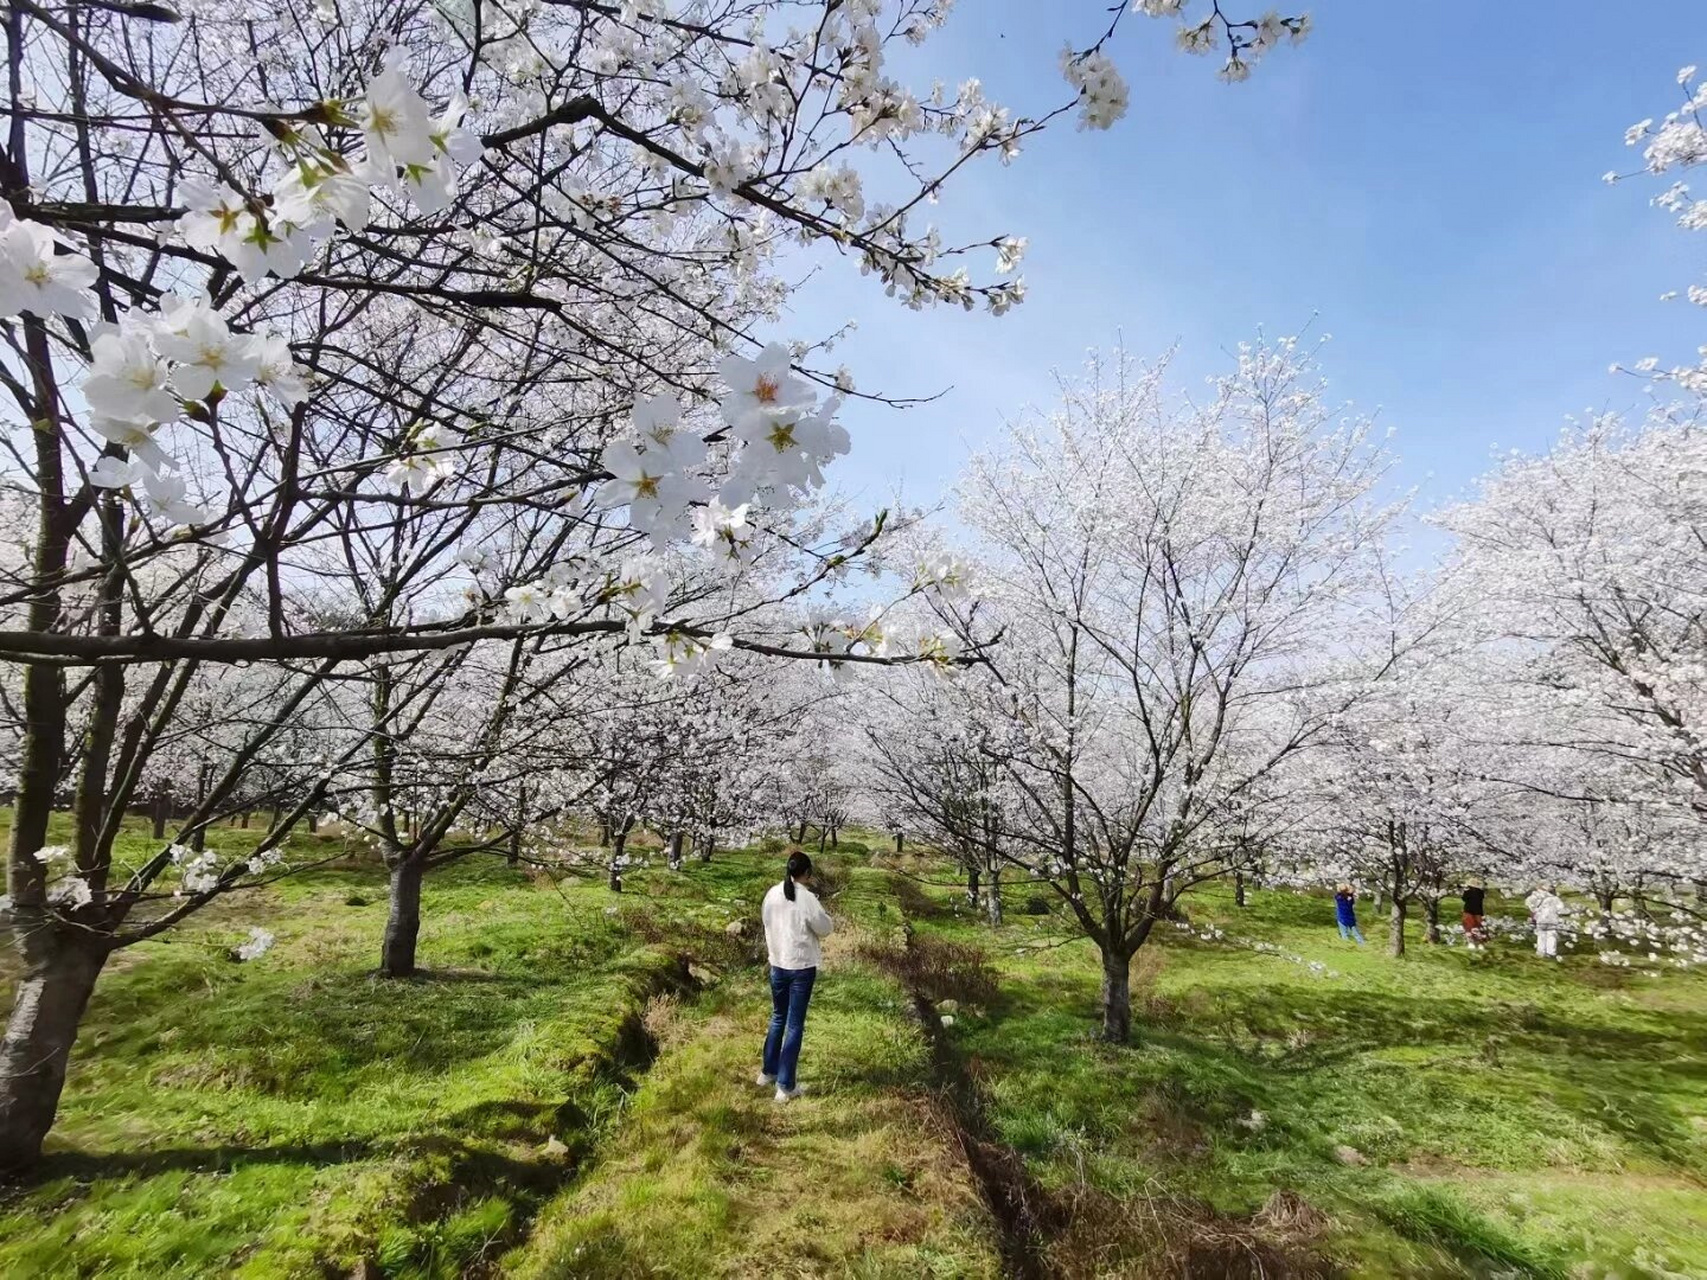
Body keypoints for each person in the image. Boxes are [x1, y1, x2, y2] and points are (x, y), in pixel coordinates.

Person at [759, 849, 834, 1102]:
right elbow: (824, 928)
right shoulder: (807, 898)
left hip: (777, 964)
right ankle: (786, 1085)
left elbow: (766, 923)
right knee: (794, 1024)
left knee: (778, 1017)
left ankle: (768, 1071)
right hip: (801, 968)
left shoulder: (771, 894)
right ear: (807, 873)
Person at [1526, 884, 1565, 960]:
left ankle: (1541, 952)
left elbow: (1532, 907)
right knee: (1551, 935)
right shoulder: (1556, 899)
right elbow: (1561, 909)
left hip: (1541, 919)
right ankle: (1551, 952)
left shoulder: (1539, 899)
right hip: (1552, 920)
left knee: (1541, 935)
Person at [1461, 880, 1487, 950]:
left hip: (1468, 910)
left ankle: (1471, 942)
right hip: (1478, 911)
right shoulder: (1481, 892)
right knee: (1479, 926)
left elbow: (1464, 898)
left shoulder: (1467, 892)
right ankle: (1481, 943)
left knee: (1469, 926)